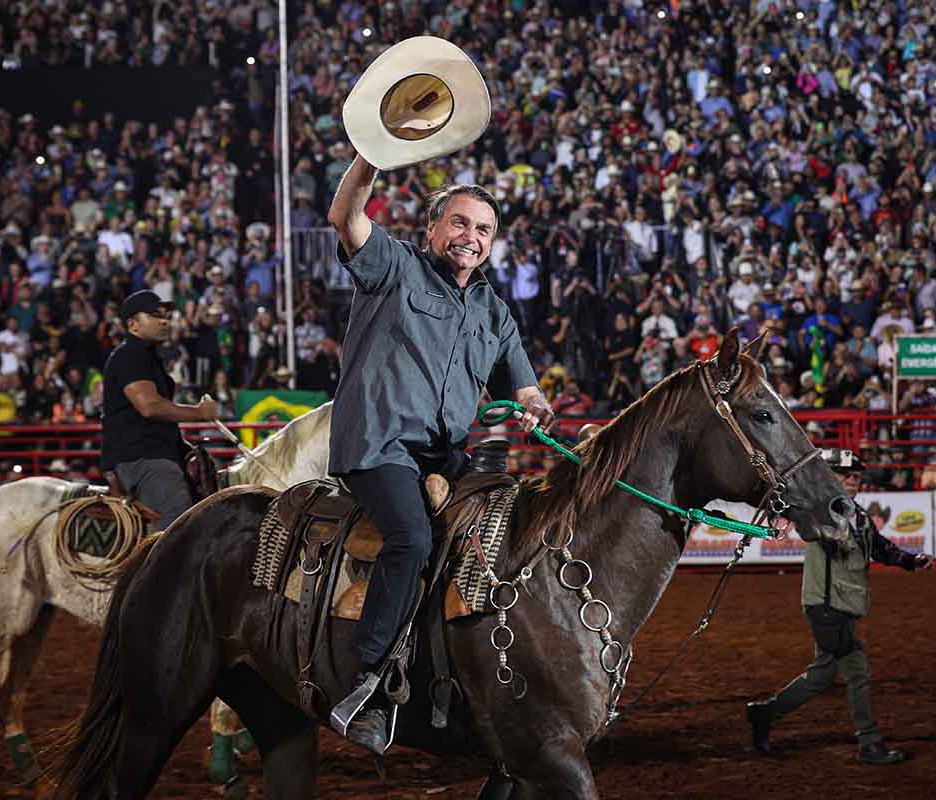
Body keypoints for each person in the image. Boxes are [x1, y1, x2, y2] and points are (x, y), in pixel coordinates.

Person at [327, 154, 555, 754]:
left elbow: (525, 386)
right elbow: (345, 215)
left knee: (508, 523)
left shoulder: (494, 312)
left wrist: (535, 404)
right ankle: (367, 685)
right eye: (459, 223)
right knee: (412, 539)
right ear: (431, 229)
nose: (470, 238)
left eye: (483, 229)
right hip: (380, 445)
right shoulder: (394, 267)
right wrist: (371, 155)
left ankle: (470, 673)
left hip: (446, 455)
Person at [746, 449, 934, 764]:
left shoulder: (857, 515)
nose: (851, 482)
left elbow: (881, 548)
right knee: (857, 668)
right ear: (831, 477)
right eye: (845, 476)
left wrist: (911, 560)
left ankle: (766, 713)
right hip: (826, 606)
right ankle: (869, 742)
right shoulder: (819, 510)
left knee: (821, 676)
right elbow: (806, 525)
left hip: (838, 604)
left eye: (856, 477)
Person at [101, 290, 218, 531]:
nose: (164, 321)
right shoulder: (128, 356)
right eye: (155, 315)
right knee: (177, 517)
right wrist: (200, 413)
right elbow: (150, 407)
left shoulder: (149, 358)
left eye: (166, 315)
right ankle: (162, 567)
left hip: (154, 452)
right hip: (141, 458)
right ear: (132, 324)